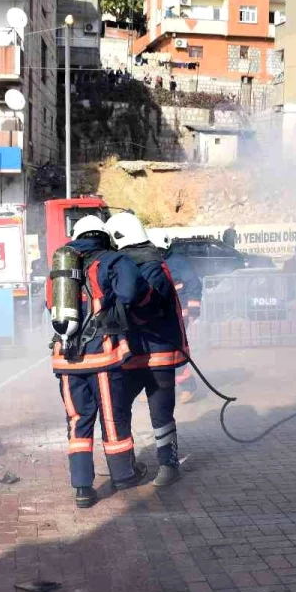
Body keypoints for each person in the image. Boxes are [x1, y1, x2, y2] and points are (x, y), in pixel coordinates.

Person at [48, 215, 152, 508]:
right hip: (102, 356)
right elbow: (132, 292)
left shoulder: (61, 267)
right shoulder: (112, 261)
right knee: (111, 416)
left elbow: (51, 307)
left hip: (66, 360)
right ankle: (123, 476)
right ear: (103, 236)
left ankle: (82, 488)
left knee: (78, 422)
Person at [106, 212, 190, 487]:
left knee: (160, 412)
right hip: (135, 351)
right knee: (120, 407)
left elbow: (151, 306)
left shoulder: (151, 264)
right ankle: (128, 465)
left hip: (157, 353)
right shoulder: (135, 262)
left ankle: (168, 464)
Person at [152, 233, 204, 404]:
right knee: (155, 352)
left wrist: (194, 312)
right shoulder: (154, 261)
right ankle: (157, 387)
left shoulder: (178, 262)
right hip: (160, 316)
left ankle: (189, 386)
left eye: (158, 250)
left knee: (172, 352)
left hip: (179, 316)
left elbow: (194, 285)